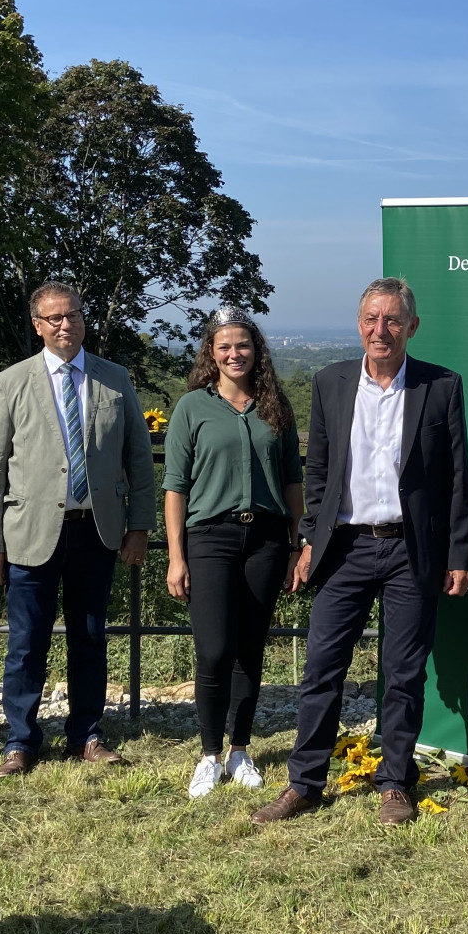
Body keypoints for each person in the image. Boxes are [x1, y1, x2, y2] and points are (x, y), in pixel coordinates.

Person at [251, 277, 468, 827]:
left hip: (411, 550)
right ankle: (304, 783)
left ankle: (396, 782)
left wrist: (461, 552)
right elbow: (319, 470)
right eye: (372, 319)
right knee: (322, 667)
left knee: (403, 674)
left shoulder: (441, 387)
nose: (382, 330)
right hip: (345, 549)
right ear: (359, 324)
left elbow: (458, 479)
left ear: (412, 327)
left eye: (393, 320)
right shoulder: (332, 382)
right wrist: (308, 540)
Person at [0, 280, 154, 776]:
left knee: (90, 637)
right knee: (26, 641)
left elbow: (138, 459)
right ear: (37, 325)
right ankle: (21, 741)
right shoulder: (10, 382)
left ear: (82, 318)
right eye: (53, 318)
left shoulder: (114, 378)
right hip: (29, 531)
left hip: (96, 532)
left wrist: (139, 527)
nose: (64, 325)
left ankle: (87, 735)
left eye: (71, 315)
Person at [163, 307, 304, 798]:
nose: (233, 353)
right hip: (210, 538)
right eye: (224, 346)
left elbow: (291, 480)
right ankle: (208, 754)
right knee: (214, 649)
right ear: (211, 353)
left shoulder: (275, 407)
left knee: (249, 650)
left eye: (242, 345)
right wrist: (176, 556)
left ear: (255, 350)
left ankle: (240, 750)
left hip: (266, 538)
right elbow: (175, 485)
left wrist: (294, 542)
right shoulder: (192, 408)